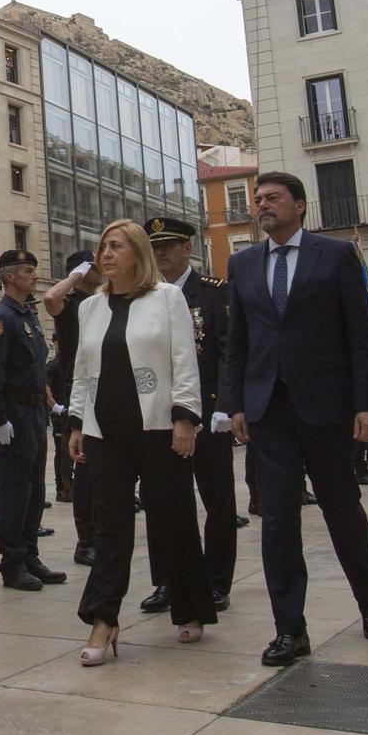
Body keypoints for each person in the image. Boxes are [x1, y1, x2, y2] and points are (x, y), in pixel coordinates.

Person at [223, 171, 368, 667]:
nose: (262, 206)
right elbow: (239, 342)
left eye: (273, 198)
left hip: (327, 406)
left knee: (343, 509)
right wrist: (234, 403)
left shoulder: (335, 255)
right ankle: (289, 629)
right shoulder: (243, 263)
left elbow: (362, 334)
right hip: (268, 410)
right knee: (277, 518)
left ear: (300, 206)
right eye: (258, 200)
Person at [70, 220, 217, 665]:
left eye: (115, 247)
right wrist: (77, 422)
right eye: (102, 247)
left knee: (172, 520)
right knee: (111, 528)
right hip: (105, 433)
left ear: (137, 253)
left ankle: (190, 607)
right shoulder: (90, 308)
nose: (106, 254)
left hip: (157, 428)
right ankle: (104, 619)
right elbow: (81, 370)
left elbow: (183, 360)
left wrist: (186, 417)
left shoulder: (167, 298)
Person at [145, 218, 238, 610]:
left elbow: (230, 353)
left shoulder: (214, 294)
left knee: (217, 500)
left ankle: (216, 580)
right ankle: (168, 579)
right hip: (159, 416)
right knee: (161, 501)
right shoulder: (145, 297)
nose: (161, 252)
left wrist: (226, 408)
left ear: (188, 248)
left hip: (206, 410)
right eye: (155, 246)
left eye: (169, 244)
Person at [0, 248, 64, 594]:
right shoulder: (3, 318)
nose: (34, 276)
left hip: (34, 413)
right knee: (15, 490)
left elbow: (37, 368)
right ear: (10, 277)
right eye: (27, 271)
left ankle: (30, 555)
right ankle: (12, 563)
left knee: (34, 489)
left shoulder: (28, 316)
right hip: (13, 412)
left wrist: (48, 406)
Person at [42, 250, 99, 567]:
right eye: (95, 264)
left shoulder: (102, 300)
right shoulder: (71, 303)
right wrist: (78, 273)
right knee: (85, 471)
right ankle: (86, 541)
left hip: (106, 390)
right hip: (80, 393)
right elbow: (51, 297)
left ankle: (102, 535)